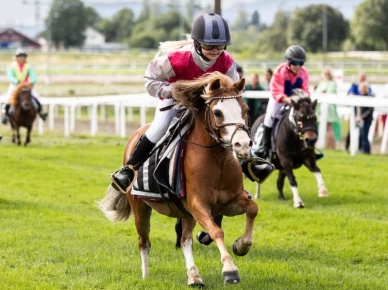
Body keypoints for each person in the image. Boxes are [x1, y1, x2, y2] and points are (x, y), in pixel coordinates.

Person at [109, 13, 273, 193]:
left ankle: (251, 162)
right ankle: (129, 170)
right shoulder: (176, 59)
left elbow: (231, 90)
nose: (216, 50)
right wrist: (173, 92)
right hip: (174, 101)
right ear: (197, 43)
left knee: (233, 124)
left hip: (207, 106)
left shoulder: (226, 61)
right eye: (210, 45)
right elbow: (150, 79)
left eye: (220, 45)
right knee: (160, 126)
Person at [253, 45, 311, 160]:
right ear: (288, 62)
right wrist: (289, 100)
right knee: (269, 117)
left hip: (296, 100)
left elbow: (306, 90)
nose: (298, 66)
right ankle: (264, 147)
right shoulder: (280, 71)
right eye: (295, 62)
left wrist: (305, 102)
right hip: (278, 100)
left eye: (301, 63)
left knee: (308, 116)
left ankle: (309, 147)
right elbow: (277, 92)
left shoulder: (304, 73)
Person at [2, 48, 48, 124]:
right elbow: (10, 76)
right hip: (15, 86)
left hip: (26, 86)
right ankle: (6, 116)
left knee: (36, 96)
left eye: (23, 57)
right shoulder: (12, 67)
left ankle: (40, 113)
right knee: (7, 98)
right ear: (17, 58)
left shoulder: (28, 67)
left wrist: (30, 82)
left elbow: (33, 77)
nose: (21, 59)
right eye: (20, 57)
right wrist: (16, 81)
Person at [315, 67, 341, 150]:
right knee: (322, 128)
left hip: (329, 109)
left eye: (328, 73)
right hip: (320, 109)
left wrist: (322, 92)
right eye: (325, 73)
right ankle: (326, 146)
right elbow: (317, 93)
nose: (326, 75)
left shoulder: (332, 83)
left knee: (329, 128)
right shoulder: (321, 83)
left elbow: (329, 93)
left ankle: (331, 147)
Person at [356, 83, 374, 154]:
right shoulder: (361, 97)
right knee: (361, 136)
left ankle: (366, 151)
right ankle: (362, 149)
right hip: (362, 119)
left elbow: (370, 110)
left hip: (367, 120)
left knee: (364, 136)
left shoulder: (369, 97)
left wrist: (361, 117)